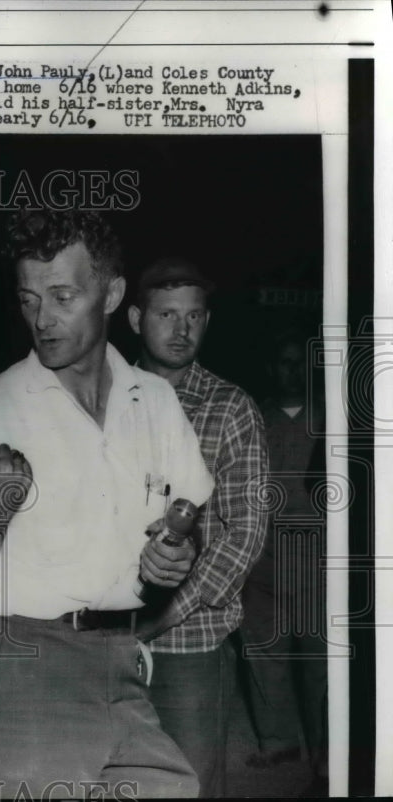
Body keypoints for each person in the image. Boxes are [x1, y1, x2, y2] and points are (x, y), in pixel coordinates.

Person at [0, 209, 214, 799]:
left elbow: (191, 519)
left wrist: (179, 556)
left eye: (62, 297)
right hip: (17, 667)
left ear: (112, 294)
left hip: (123, 660)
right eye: (29, 300)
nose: (42, 319)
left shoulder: (155, 401)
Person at [127, 258, 269, 797]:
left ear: (207, 321)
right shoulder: (107, 399)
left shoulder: (230, 408)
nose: (181, 329)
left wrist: (162, 617)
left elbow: (244, 535)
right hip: (105, 635)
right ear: (136, 318)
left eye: (193, 316)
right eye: (167, 314)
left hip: (190, 644)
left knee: (192, 784)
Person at [239, 328, 328, 791]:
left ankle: (327, 750)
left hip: (317, 558)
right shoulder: (255, 418)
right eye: (284, 362)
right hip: (264, 555)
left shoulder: (330, 418)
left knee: (320, 660)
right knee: (263, 652)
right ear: (272, 369)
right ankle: (278, 741)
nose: (293, 371)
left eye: (300, 362)